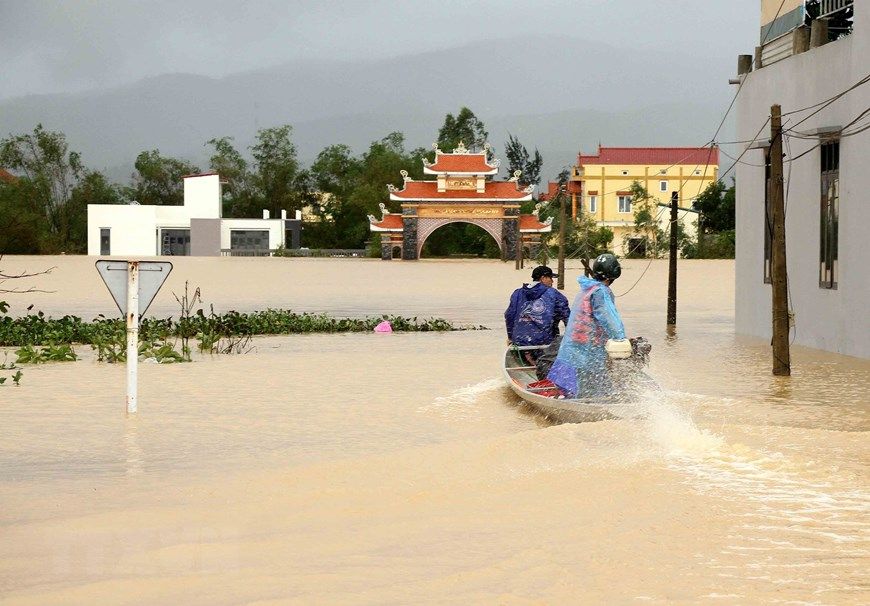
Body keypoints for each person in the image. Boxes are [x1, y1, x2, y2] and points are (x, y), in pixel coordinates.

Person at [546, 253, 627, 398]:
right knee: (593, 391)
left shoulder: (586, 288)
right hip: (587, 353)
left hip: (570, 351)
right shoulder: (600, 292)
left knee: (572, 391)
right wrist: (621, 338)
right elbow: (609, 319)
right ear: (614, 275)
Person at [504, 266, 570, 358]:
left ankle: (527, 357)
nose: (552, 281)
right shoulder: (555, 295)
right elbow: (568, 319)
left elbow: (509, 316)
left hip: (520, 342)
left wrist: (511, 337)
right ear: (543, 278)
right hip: (545, 343)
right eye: (550, 278)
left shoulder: (517, 293)